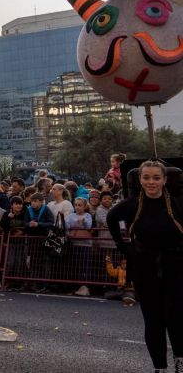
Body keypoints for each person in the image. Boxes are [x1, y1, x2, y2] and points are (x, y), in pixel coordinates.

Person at [107, 160, 183, 373]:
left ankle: (180, 360)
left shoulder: (178, 203)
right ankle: (160, 367)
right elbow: (112, 218)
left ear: (165, 180)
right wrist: (124, 247)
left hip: (175, 269)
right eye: (146, 177)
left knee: (176, 317)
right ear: (140, 180)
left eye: (156, 178)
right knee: (153, 320)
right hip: (144, 270)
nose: (151, 182)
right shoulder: (132, 204)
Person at [66, 197, 94, 297]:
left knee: (85, 266)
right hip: (74, 243)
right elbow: (67, 225)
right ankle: (75, 287)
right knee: (75, 266)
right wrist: (76, 223)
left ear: (85, 206)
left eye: (79, 205)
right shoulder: (71, 215)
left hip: (85, 244)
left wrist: (82, 222)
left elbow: (88, 226)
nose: (77, 207)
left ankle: (85, 287)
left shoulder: (88, 215)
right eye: (76, 205)